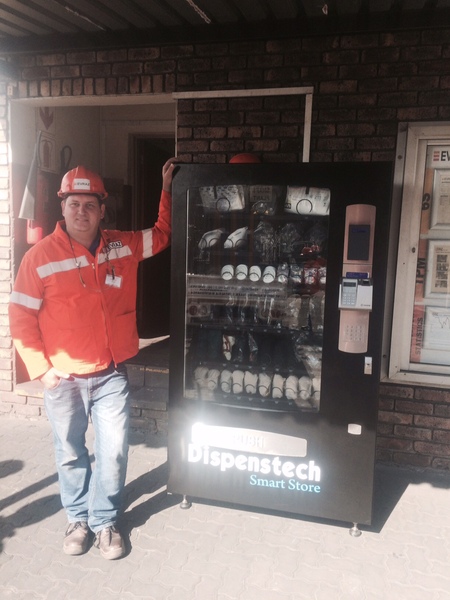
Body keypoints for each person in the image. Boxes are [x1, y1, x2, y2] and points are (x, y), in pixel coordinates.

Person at [9, 158, 177, 560]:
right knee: (71, 453)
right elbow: (20, 314)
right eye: (74, 204)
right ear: (62, 207)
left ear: (103, 210)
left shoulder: (120, 245)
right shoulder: (39, 257)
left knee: (114, 451)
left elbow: (161, 235)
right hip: (63, 379)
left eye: (89, 205)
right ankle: (77, 519)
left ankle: (104, 521)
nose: (81, 212)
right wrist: (42, 369)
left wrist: (167, 189)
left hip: (110, 374)